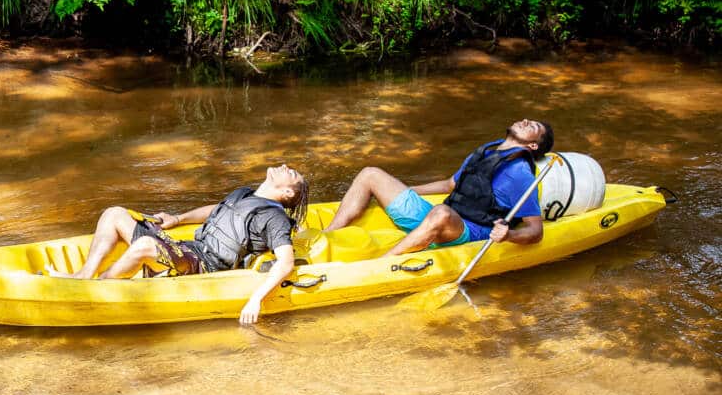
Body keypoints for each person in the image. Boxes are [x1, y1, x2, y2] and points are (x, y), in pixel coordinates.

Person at [60, 164, 309, 326]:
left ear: (287, 193)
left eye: (292, 174)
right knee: (114, 213)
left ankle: (93, 289)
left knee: (146, 244)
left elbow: (285, 262)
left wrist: (256, 299)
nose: (286, 167)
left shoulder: (274, 218)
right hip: (188, 249)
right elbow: (217, 211)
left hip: (204, 266)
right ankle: (84, 275)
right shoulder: (244, 193)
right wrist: (178, 219)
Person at [326, 119, 553, 255]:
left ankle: (384, 264)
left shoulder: (520, 173)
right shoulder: (487, 151)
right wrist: (408, 190)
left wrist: (508, 235)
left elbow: (536, 231)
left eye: (532, 125)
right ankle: (327, 236)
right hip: (440, 217)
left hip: (471, 231)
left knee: (442, 212)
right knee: (371, 174)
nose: (524, 120)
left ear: (533, 145)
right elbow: (450, 184)